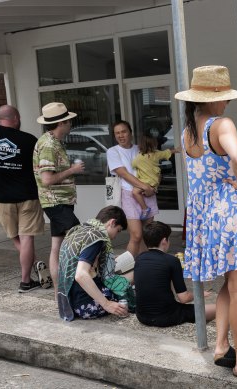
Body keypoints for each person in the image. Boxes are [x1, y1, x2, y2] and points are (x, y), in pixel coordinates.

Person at [176, 65, 237, 377]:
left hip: (206, 217)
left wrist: (234, 164)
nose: (227, 104)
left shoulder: (189, 130)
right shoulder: (221, 124)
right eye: (225, 98)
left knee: (229, 286)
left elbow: (213, 164)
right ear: (212, 99)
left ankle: (221, 346)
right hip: (232, 213)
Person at [0, 105, 49, 293]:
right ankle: (25, 281)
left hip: (1, 198)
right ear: (16, 118)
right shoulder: (30, 140)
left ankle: (29, 264)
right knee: (26, 239)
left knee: (15, 236)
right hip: (27, 197)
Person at [33, 102, 85, 294]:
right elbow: (47, 179)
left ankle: (58, 293)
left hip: (59, 202)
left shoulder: (52, 141)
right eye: (69, 120)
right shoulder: (48, 145)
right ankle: (78, 288)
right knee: (82, 239)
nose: (71, 123)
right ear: (61, 122)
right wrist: (73, 170)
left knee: (57, 246)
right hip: (56, 202)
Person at [134, 221, 216, 327]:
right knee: (219, 308)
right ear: (164, 241)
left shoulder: (139, 259)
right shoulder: (172, 261)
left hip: (142, 316)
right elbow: (184, 298)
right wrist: (200, 294)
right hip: (166, 317)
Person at [57, 205, 131, 321]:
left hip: (68, 303)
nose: (116, 236)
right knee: (127, 292)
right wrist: (107, 304)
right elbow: (81, 275)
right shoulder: (96, 237)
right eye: (118, 230)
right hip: (85, 305)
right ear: (112, 222)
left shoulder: (77, 230)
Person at [107, 120, 157, 257]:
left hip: (147, 194)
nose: (120, 135)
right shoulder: (113, 151)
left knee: (146, 235)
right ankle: (126, 268)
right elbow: (123, 173)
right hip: (129, 194)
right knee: (136, 235)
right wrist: (144, 186)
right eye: (117, 133)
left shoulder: (139, 149)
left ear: (130, 133)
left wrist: (152, 187)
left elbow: (153, 166)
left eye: (123, 131)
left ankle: (143, 266)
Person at [132, 133, 178, 220]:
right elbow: (167, 152)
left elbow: (132, 165)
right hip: (154, 181)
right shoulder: (156, 154)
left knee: (135, 192)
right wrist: (177, 150)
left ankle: (145, 208)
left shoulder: (139, 158)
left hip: (146, 182)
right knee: (144, 193)